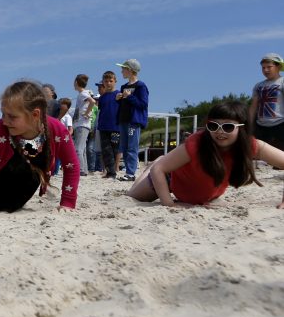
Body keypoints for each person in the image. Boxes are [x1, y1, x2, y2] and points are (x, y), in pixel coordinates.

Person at [0, 80, 79, 214]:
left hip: (16, 197)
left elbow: (71, 166)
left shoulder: (56, 130)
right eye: (3, 114)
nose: (5, 121)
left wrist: (67, 203)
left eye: (12, 117)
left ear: (35, 115)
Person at [127, 101, 284, 207]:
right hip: (171, 177)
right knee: (134, 196)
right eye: (214, 126)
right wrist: (168, 204)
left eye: (228, 127)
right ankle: (157, 162)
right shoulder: (197, 143)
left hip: (202, 194)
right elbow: (159, 170)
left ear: (242, 128)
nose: (220, 132)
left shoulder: (252, 145)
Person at [115, 58, 149, 182]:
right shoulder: (123, 86)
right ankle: (128, 172)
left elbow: (143, 104)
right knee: (124, 147)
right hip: (123, 120)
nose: (121, 71)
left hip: (133, 121)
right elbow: (125, 105)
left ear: (130, 70)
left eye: (123, 68)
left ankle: (130, 173)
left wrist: (129, 97)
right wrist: (118, 99)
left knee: (132, 147)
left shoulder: (141, 86)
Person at [248, 53, 284, 151]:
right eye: (263, 68)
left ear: (278, 66)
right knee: (259, 151)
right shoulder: (258, 86)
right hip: (261, 125)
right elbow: (253, 106)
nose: (266, 70)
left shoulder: (282, 82)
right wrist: (249, 123)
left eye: (269, 67)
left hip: (280, 123)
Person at [96, 71, 120, 177]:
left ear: (115, 81)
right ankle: (110, 172)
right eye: (106, 81)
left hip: (116, 127)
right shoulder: (102, 97)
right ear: (103, 83)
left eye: (111, 81)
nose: (108, 83)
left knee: (115, 149)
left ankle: (115, 169)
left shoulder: (119, 95)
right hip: (103, 127)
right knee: (106, 150)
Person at [73, 74, 97, 177]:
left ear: (76, 83)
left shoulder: (83, 93)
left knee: (78, 148)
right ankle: (84, 169)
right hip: (83, 124)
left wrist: (87, 113)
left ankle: (81, 169)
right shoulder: (84, 93)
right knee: (82, 148)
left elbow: (92, 101)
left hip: (82, 124)